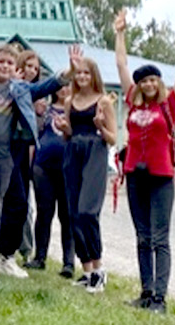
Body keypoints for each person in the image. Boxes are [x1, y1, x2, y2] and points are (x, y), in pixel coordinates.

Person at [115, 8, 175, 314]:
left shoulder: (170, 104)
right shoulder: (131, 100)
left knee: (159, 237)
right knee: (142, 236)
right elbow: (121, 64)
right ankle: (146, 291)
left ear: (158, 83)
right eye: (144, 81)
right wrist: (120, 33)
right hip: (135, 175)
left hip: (161, 177)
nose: (149, 84)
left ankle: (160, 299)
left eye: (153, 79)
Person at [0, 43, 66, 282]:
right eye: (0, 61)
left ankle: (3, 257)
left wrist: (67, 74)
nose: (4, 66)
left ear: (15, 68)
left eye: (9, 63)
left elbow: (46, 86)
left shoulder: (21, 89)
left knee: (13, 205)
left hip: (8, 154)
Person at [56, 47, 117, 294]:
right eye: (78, 73)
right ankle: (87, 270)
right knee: (72, 213)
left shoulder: (103, 101)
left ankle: (99, 268)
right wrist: (63, 126)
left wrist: (101, 125)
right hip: (73, 152)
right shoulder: (70, 101)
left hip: (95, 152)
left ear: (94, 76)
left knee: (87, 211)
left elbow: (113, 138)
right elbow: (69, 130)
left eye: (86, 73)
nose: (81, 77)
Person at [27, 82, 75, 278]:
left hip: (68, 168)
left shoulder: (77, 112)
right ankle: (39, 257)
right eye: (61, 86)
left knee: (67, 216)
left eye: (68, 87)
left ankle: (69, 262)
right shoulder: (45, 110)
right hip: (43, 166)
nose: (64, 90)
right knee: (44, 212)